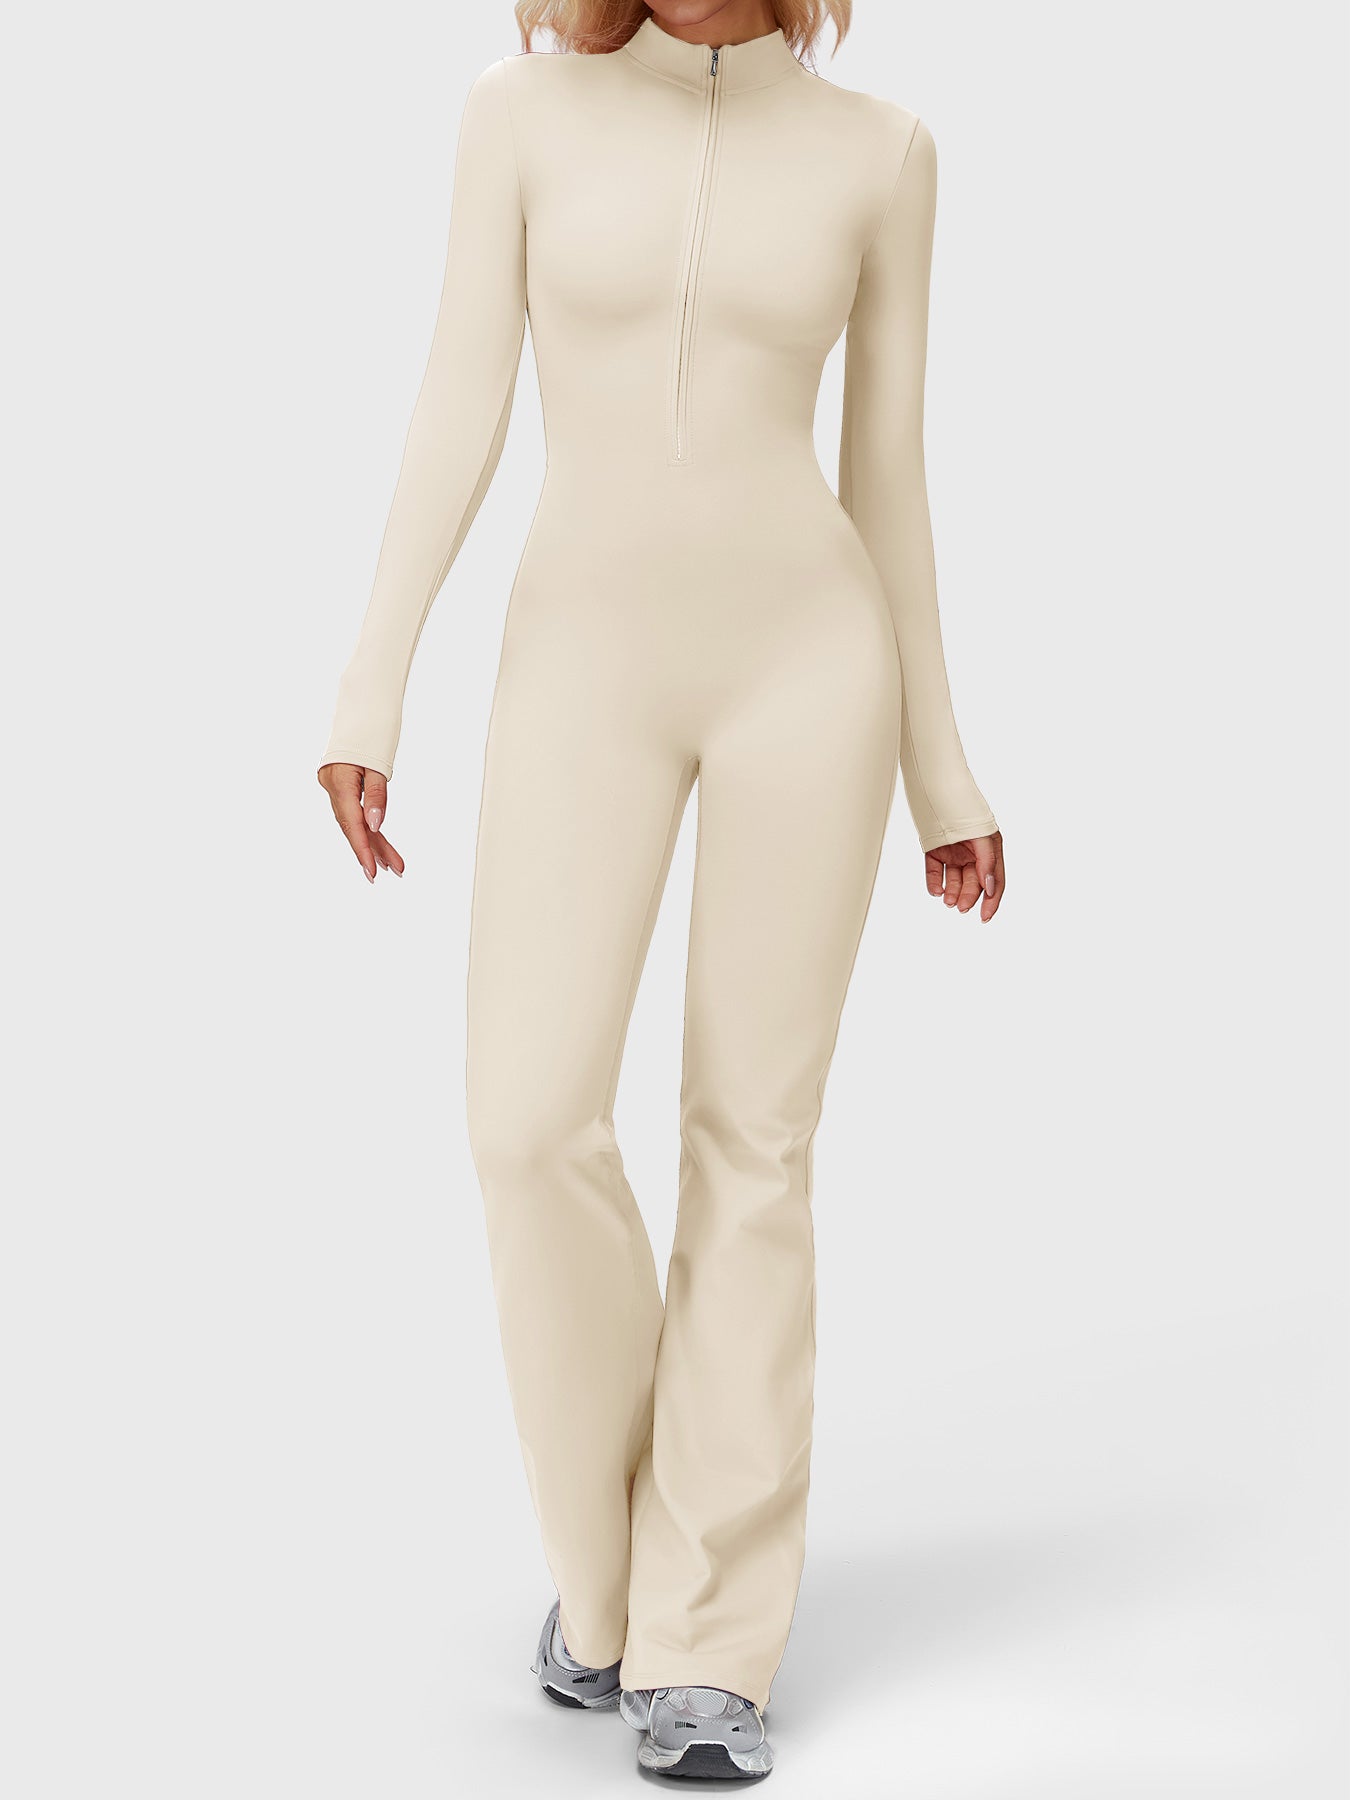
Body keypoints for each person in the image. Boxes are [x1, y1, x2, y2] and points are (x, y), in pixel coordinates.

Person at [318, 0, 1006, 1780]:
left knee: (751, 1143)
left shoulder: (882, 157)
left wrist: (940, 769)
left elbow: (888, 476)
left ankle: (709, 1642)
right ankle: (610, 1578)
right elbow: (457, 397)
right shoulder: (520, 115)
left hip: (809, 669)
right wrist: (369, 691)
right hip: (581, 663)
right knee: (525, 1120)